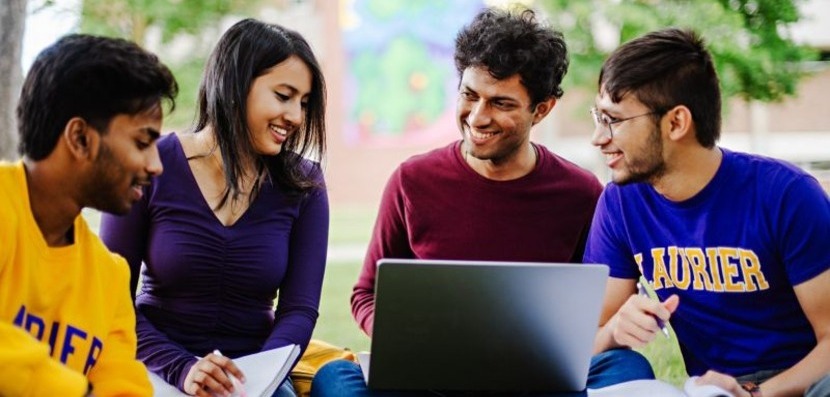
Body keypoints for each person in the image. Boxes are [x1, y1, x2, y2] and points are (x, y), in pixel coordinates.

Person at [311, 7, 655, 397]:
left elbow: (594, 307)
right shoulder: (412, 181)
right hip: (433, 378)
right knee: (334, 378)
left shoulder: (580, 192)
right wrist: (408, 344)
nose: (477, 116)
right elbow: (366, 295)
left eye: (501, 103)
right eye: (469, 95)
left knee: (628, 367)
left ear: (541, 109)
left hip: (536, 379)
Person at [585, 28, 830, 397]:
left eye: (614, 120)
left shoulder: (787, 195)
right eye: (598, 117)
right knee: (615, 363)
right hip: (711, 389)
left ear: (676, 123)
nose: (598, 137)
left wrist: (755, 394)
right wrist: (616, 329)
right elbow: (587, 339)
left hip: (802, 382)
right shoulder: (621, 202)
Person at [99, 18, 329, 397]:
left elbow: (299, 311)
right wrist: (183, 368)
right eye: (284, 96)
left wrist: (254, 379)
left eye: (304, 103)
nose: (297, 117)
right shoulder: (151, 165)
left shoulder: (305, 185)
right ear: (237, 84)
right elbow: (110, 298)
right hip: (158, 365)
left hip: (254, 378)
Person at [0, 34, 177, 396]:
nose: (156, 165)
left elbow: (123, 387)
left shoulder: (109, 276)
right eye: (143, 143)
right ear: (80, 138)